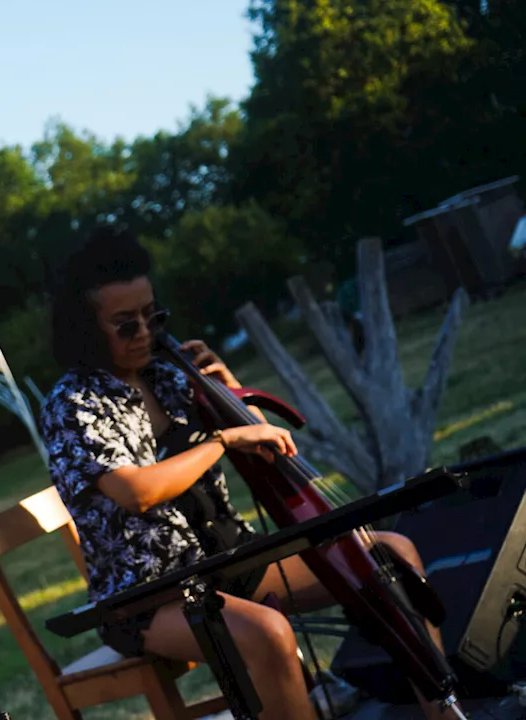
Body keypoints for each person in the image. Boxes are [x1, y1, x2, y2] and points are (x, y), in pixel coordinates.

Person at [38, 224, 458, 720]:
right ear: (87, 330)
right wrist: (221, 439)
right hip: (149, 594)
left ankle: (445, 713)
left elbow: (264, 451)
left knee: (393, 558)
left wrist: (229, 393)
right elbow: (137, 492)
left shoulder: (170, 376)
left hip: (228, 557)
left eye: (153, 316)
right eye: (126, 325)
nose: (147, 334)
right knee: (268, 634)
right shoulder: (73, 403)